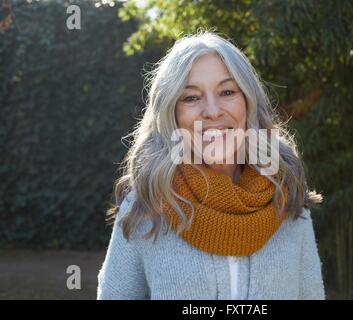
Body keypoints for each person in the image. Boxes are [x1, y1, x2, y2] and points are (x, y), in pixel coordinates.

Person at [97, 31, 325, 300]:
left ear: (248, 103)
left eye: (227, 92)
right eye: (191, 97)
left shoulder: (287, 197)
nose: (213, 111)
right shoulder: (146, 205)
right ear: (172, 114)